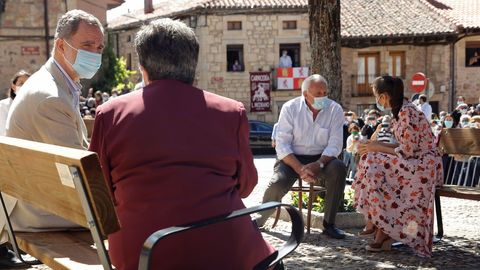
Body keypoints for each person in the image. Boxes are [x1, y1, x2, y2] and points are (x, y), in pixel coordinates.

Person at [88, 18, 275, 270]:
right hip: (222, 249)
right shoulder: (230, 112)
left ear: (143, 68)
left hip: (141, 252)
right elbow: (246, 186)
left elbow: (101, 192)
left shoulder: (110, 113)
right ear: (193, 65)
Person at [2, 9, 103, 267]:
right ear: (61, 45)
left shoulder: (54, 82)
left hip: (35, 196)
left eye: (99, 47)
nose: (95, 53)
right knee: (138, 211)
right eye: (87, 45)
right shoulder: (51, 96)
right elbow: (78, 177)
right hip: (34, 210)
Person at [353, 76, 443, 257]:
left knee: (372, 161)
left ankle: (376, 222)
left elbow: (408, 150)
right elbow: (404, 148)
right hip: (415, 161)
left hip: (423, 165)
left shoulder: (407, 112)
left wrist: (376, 147)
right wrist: (373, 147)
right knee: (370, 159)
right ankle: (379, 225)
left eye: (377, 96)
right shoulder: (401, 110)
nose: (377, 100)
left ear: (385, 96)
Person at [254, 74, 347, 239]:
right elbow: (282, 145)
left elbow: (335, 145)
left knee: (338, 168)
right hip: (291, 159)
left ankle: (329, 224)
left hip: (321, 159)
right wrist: (300, 168)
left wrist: (318, 164)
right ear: (305, 94)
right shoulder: (290, 108)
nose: (323, 97)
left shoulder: (335, 109)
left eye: (325, 92)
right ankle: (260, 219)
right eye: (318, 94)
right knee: (277, 182)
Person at [0, 70, 31, 136]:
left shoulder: (32, 107)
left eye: (27, 83)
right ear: (13, 86)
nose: (24, 86)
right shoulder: (2, 106)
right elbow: (3, 131)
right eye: (21, 83)